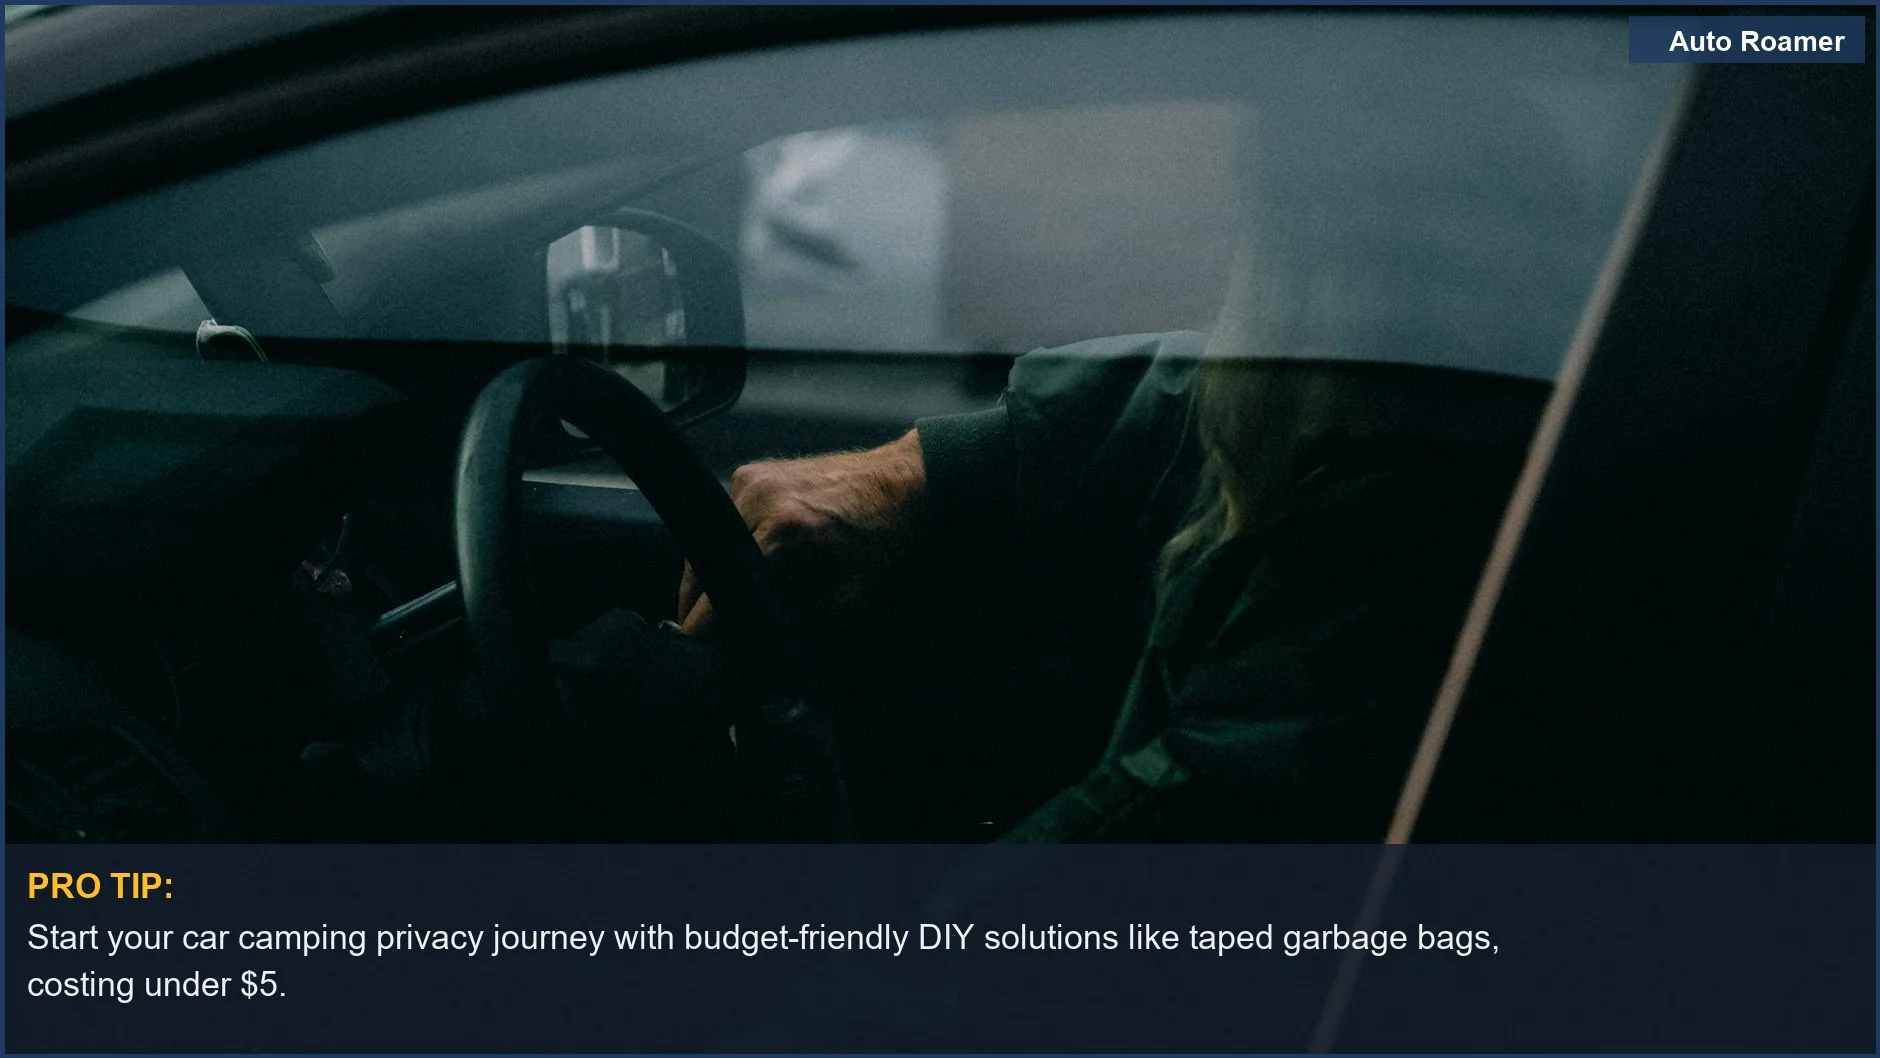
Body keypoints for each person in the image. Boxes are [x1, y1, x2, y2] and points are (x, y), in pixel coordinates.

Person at [675, 81, 1638, 842]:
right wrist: (928, 472)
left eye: (1256, 219)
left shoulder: (1353, 627)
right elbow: (1210, 386)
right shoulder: (1430, 451)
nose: (1225, 304)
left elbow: (938, 996)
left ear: (1328, 277)